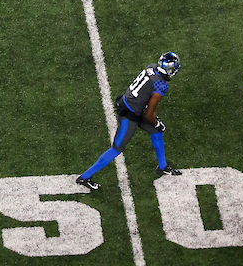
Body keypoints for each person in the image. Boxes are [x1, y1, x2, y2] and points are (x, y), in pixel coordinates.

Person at [75, 53, 182, 191]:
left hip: (132, 105)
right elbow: (149, 112)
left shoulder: (152, 67)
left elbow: (146, 100)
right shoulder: (161, 85)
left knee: (156, 131)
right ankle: (84, 177)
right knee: (117, 148)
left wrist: (155, 124)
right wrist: (155, 122)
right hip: (129, 114)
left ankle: (162, 167)